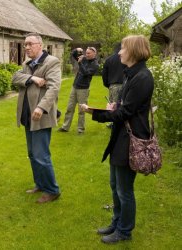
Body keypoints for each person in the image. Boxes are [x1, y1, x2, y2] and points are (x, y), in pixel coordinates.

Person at [80, 35, 154, 244]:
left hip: (130, 139)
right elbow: (123, 107)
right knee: (115, 185)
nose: (119, 52)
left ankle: (124, 231)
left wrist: (95, 113)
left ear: (133, 51)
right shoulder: (131, 74)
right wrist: (115, 106)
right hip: (120, 137)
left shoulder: (143, 77)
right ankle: (117, 222)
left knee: (124, 190)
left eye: (123, 48)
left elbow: (125, 112)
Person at [12, 33, 61, 204]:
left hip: (41, 116)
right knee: (32, 154)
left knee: (41, 155)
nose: (26, 47)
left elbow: (54, 88)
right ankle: (40, 184)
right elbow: (15, 78)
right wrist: (33, 78)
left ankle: (52, 190)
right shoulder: (27, 64)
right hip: (27, 115)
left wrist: (41, 106)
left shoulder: (51, 62)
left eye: (29, 44)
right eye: (25, 44)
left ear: (40, 45)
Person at [58, 47, 99, 134]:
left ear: (94, 54)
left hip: (83, 89)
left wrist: (80, 63)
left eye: (88, 53)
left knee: (82, 110)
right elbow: (73, 54)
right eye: (86, 53)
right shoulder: (83, 58)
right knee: (70, 108)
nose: (86, 55)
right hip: (75, 86)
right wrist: (77, 50)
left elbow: (86, 73)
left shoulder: (95, 64)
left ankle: (80, 130)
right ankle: (65, 127)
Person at [102, 43, 125, 128]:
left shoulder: (109, 59)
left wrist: (107, 85)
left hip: (113, 85)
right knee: (120, 105)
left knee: (113, 104)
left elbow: (104, 74)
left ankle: (115, 123)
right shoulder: (126, 59)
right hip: (124, 84)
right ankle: (116, 123)